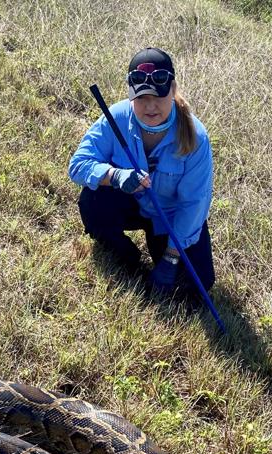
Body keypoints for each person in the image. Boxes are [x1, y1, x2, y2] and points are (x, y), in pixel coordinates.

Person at [68, 47, 215, 297]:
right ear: (130, 95)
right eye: (141, 98)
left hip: (169, 217)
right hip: (130, 204)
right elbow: (78, 165)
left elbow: (193, 204)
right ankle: (129, 260)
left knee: (197, 287)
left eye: (158, 96)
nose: (150, 106)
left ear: (173, 89)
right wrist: (114, 176)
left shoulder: (196, 137)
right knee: (92, 202)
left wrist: (170, 258)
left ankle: (163, 258)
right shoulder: (115, 117)